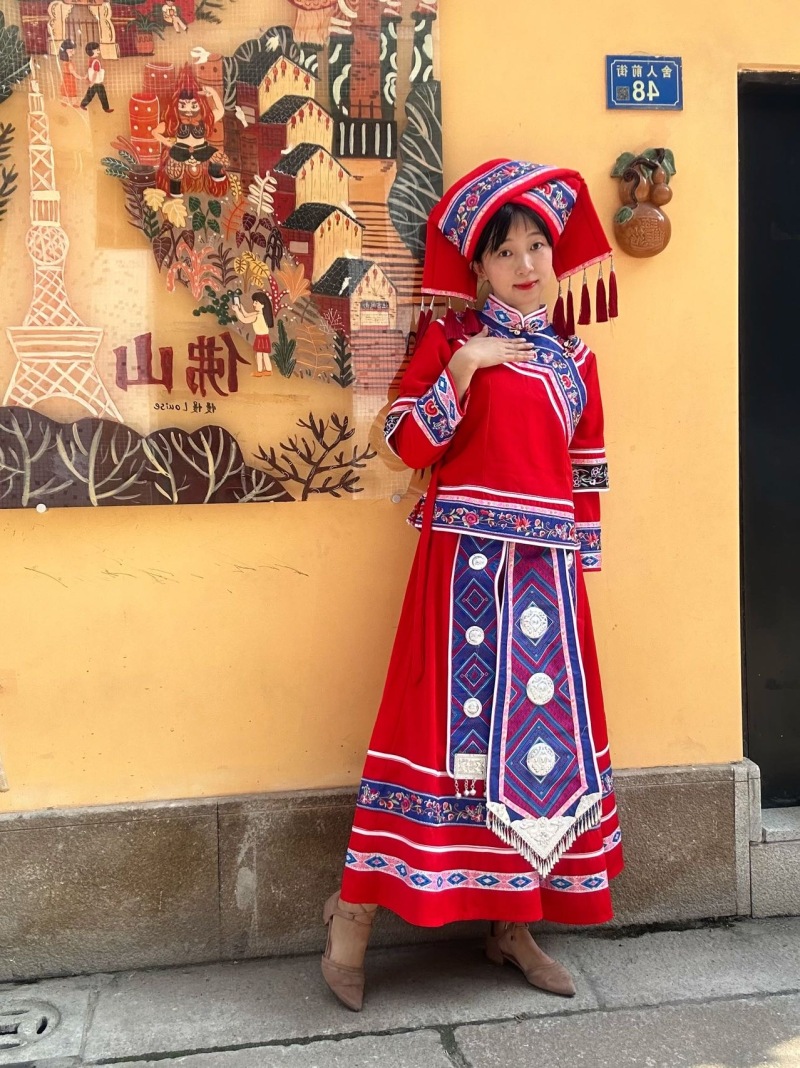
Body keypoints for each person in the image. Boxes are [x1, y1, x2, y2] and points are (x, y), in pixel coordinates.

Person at [321, 159, 623, 1011]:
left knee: (534, 754)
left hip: (546, 590)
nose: (526, 265)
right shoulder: (452, 343)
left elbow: (584, 479)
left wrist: (576, 575)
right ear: (479, 268)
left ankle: (511, 926)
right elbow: (404, 447)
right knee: (431, 741)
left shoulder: (576, 360)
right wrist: (462, 370)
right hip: (461, 580)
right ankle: (350, 920)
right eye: (505, 252)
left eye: (538, 247)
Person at [152, 74, 229, 198]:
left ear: (200, 104)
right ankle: (175, 193)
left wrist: (214, 93)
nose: (188, 110)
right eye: (183, 105)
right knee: (174, 167)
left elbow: (220, 111)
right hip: (181, 150)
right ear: (176, 105)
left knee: (220, 158)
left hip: (202, 149)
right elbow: (155, 132)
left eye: (193, 106)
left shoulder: (204, 119)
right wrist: (167, 142)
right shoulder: (175, 121)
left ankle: (215, 179)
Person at [231, 292, 274, 376]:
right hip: (265, 338)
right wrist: (241, 308)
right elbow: (246, 315)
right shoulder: (260, 314)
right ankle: (268, 370)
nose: (253, 304)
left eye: (256, 302)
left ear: (263, 305)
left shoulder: (257, 316)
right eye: (254, 302)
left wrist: (237, 311)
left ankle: (259, 371)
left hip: (260, 338)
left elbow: (244, 319)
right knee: (265, 355)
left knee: (259, 355)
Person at [79, 43, 113, 113]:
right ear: (92, 51)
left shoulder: (90, 60)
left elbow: (89, 70)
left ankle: (83, 104)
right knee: (102, 95)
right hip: (97, 83)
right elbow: (95, 73)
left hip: (94, 82)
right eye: (97, 50)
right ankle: (106, 108)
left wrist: (86, 76)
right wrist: (92, 82)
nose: (99, 51)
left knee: (89, 95)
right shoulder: (96, 62)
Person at [58, 40, 79, 107]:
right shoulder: (68, 63)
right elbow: (73, 72)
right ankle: (69, 101)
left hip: (68, 77)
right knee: (69, 89)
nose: (73, 53)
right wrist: (81, 77)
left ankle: (69, 101)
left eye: (73, 50)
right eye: (71, 51)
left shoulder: (68, 61)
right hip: (69, 77)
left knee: (68, 89)